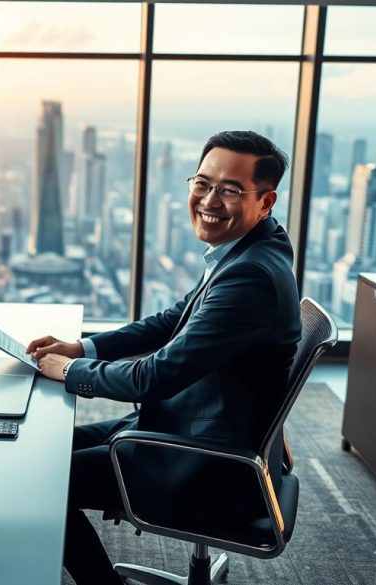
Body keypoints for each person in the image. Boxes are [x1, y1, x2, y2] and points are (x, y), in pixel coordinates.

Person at [26, 130, 302, 585]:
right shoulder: (251, 248)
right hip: (182, 426)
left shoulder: (250, 276)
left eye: (230, 190)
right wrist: (84, 347)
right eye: (202, 183)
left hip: (202, 461)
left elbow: (153, 378)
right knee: (42, 448)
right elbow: (175, 319)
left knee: (45, 480)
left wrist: (72, 371)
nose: (210, 199)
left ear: (265, 200)